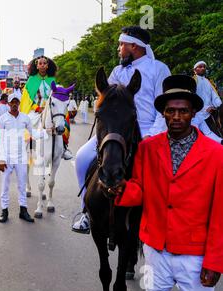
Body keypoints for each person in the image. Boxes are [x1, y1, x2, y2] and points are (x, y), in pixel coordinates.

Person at [109, 75, 223, 291]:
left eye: (184, 111)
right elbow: (140, 189)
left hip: (195, 256)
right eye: (171, 111)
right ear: (163, 113)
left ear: (193, 113)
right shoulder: (147, 148)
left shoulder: (216, 154)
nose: (177, 117)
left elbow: (219, 213)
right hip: (154, 251)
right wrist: (121, 189)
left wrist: (214, 261)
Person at [72, 26, 171, 234]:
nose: (119, 49)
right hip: (115, 131)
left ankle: (160, 220)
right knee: (82, 157)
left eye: (121, 45)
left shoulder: (158, 69)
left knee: (161, 175)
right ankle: (86, 212)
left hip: (149, 130)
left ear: (133, 46)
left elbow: (165, 108)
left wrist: (152, 135)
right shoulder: (117, 72)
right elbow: (107, 102)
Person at [0, 93, 48, 223]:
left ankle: (23, 210)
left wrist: (47, 132)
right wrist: (1, 159)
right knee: (5, 186)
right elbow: (0, 140)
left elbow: (34, 133)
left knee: (22, 185)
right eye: (12, 102)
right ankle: (4, 210)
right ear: (8, 104)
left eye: (16, 102)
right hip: (7, 158)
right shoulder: (3, 119)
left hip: (21, 157)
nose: (14, 104)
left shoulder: (25, 118)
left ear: (19, 104)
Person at [20, 55, 73, 160]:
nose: (42, 65)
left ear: (48, 66)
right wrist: (37, 108)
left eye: (45, 63)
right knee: (27, 123)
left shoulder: (52, 79)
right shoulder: (31, 80)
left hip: (50, 109)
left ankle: (64, 148)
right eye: (40, 63)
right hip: (35, 110)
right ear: (37, 66)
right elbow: (28, 99)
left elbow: (55, 95)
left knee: (64, 121)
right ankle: (24, 148)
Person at [192, 61, 222, 143]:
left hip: (211, 111)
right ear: (195, 70)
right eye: (200, 67)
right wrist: (205, 108)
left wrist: (219, 105)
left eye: (204, 67)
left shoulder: (209, 81)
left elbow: (214, 95)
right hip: (198, 113)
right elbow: (193, 98)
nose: (202, 68)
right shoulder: (193, 81)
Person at [0, 93, 10, 163]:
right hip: (0, 126)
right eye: (7, 98)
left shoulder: (8, 106)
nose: (8, 100)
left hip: (7, 126)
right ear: (4, 98)